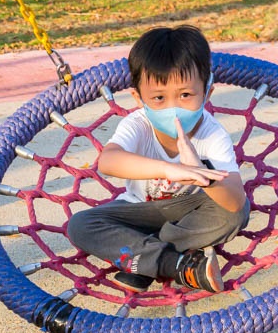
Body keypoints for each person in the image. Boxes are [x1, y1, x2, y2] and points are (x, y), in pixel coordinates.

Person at [67, 25, 250, 293]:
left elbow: (234, 200)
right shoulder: (138, 124)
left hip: (189, 212)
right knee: (80, 225)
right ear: (139, 98)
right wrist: (168, 169)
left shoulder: (212, 134)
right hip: (137, 212)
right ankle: (174, 264)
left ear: (206, 94)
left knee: (237, 212)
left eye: (185, 95)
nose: (172, 107)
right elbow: (108, 161)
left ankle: (143, 260)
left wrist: (200, 170)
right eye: (159, 98)